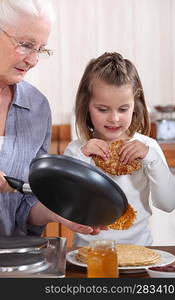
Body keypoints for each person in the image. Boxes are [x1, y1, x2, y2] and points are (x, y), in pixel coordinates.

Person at [0, 0, 105, 237]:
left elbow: (25, 205)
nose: (33, 61)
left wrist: (58, 212)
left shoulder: (36, 107)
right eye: (26, 45)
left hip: (14, 264)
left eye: (40, 49)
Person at [64, 52, 175, 246]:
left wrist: (151, 158)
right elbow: (68, 205)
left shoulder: (148, 148)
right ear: (86, 107)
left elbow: (167, 203)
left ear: (136, 106)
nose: (114, 118)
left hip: (139, 250)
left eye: (123, 109)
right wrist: (83, 158)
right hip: (88, 254)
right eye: (102, 109)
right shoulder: (76, 150)